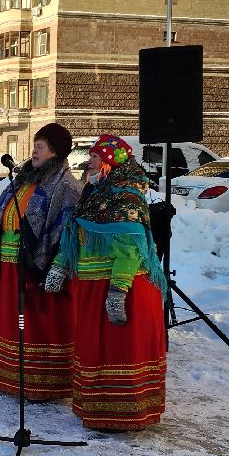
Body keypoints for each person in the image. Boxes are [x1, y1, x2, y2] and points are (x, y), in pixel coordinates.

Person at [47, 134, 168, 431]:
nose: (88, 162)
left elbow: (129, 248)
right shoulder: (94, 193)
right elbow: (73, 234)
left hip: (122, 289)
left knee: (118, 352)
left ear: (111, 162)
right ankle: (96, 407)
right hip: (90, 287)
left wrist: (117, 290)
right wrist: (60, 267)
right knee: (93, 350)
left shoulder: (125, 196)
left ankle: (124, 414)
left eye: (95, 158)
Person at [0, 122, 82, 401]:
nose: (34, 151)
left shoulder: (65, 187)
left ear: (55, 152)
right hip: (11, 264)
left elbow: (65, 232)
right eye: (35, 146)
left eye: (40, 147)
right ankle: (9, 378)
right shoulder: (25, 178)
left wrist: (54, 267)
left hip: (38, 267)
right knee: (10, 321)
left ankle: (42, 383)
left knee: (37, 325)